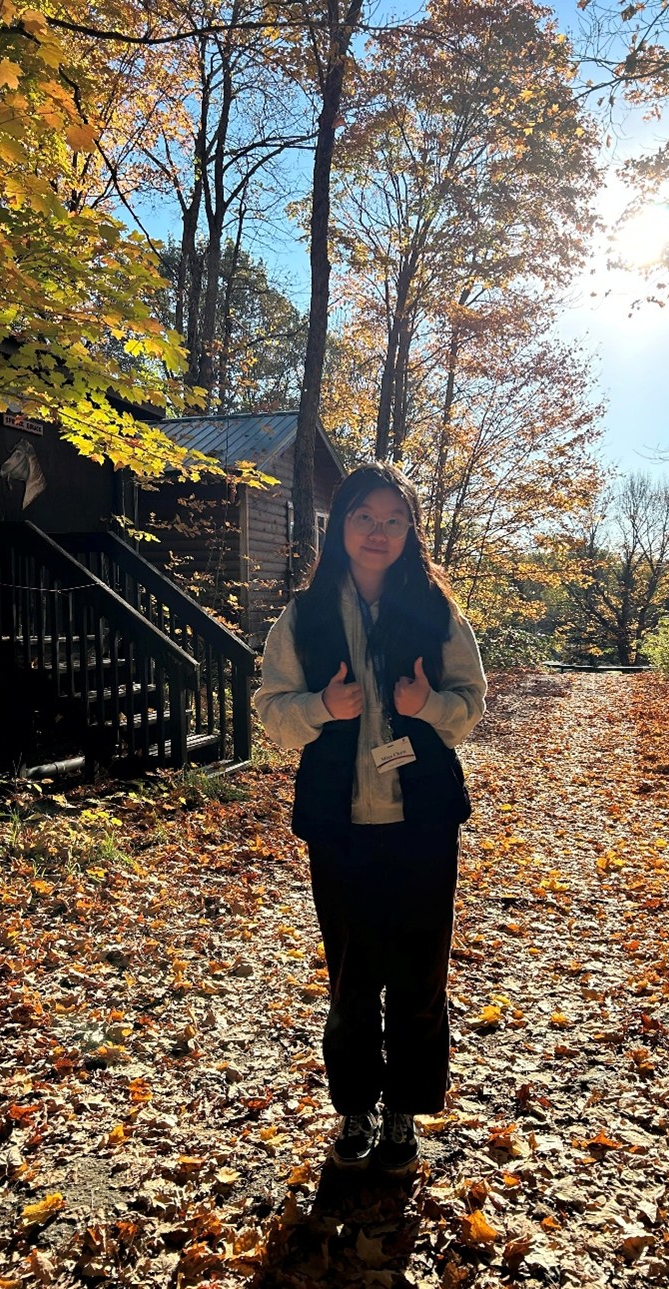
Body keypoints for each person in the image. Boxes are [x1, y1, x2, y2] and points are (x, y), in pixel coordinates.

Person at [255, 463, 486, 1173]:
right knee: (352, 976)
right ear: (340, 526)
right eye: (363, 515)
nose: (377, 531)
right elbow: (270, 713)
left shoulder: (436, 611)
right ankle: (353, 1106)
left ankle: (402, 1115)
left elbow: (470, 705)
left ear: (409, 530)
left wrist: (426, 709)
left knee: (418, 973)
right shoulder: (302, 615)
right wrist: (322, 708)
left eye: (392, 518)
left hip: (422, 823)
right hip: (340, 826)